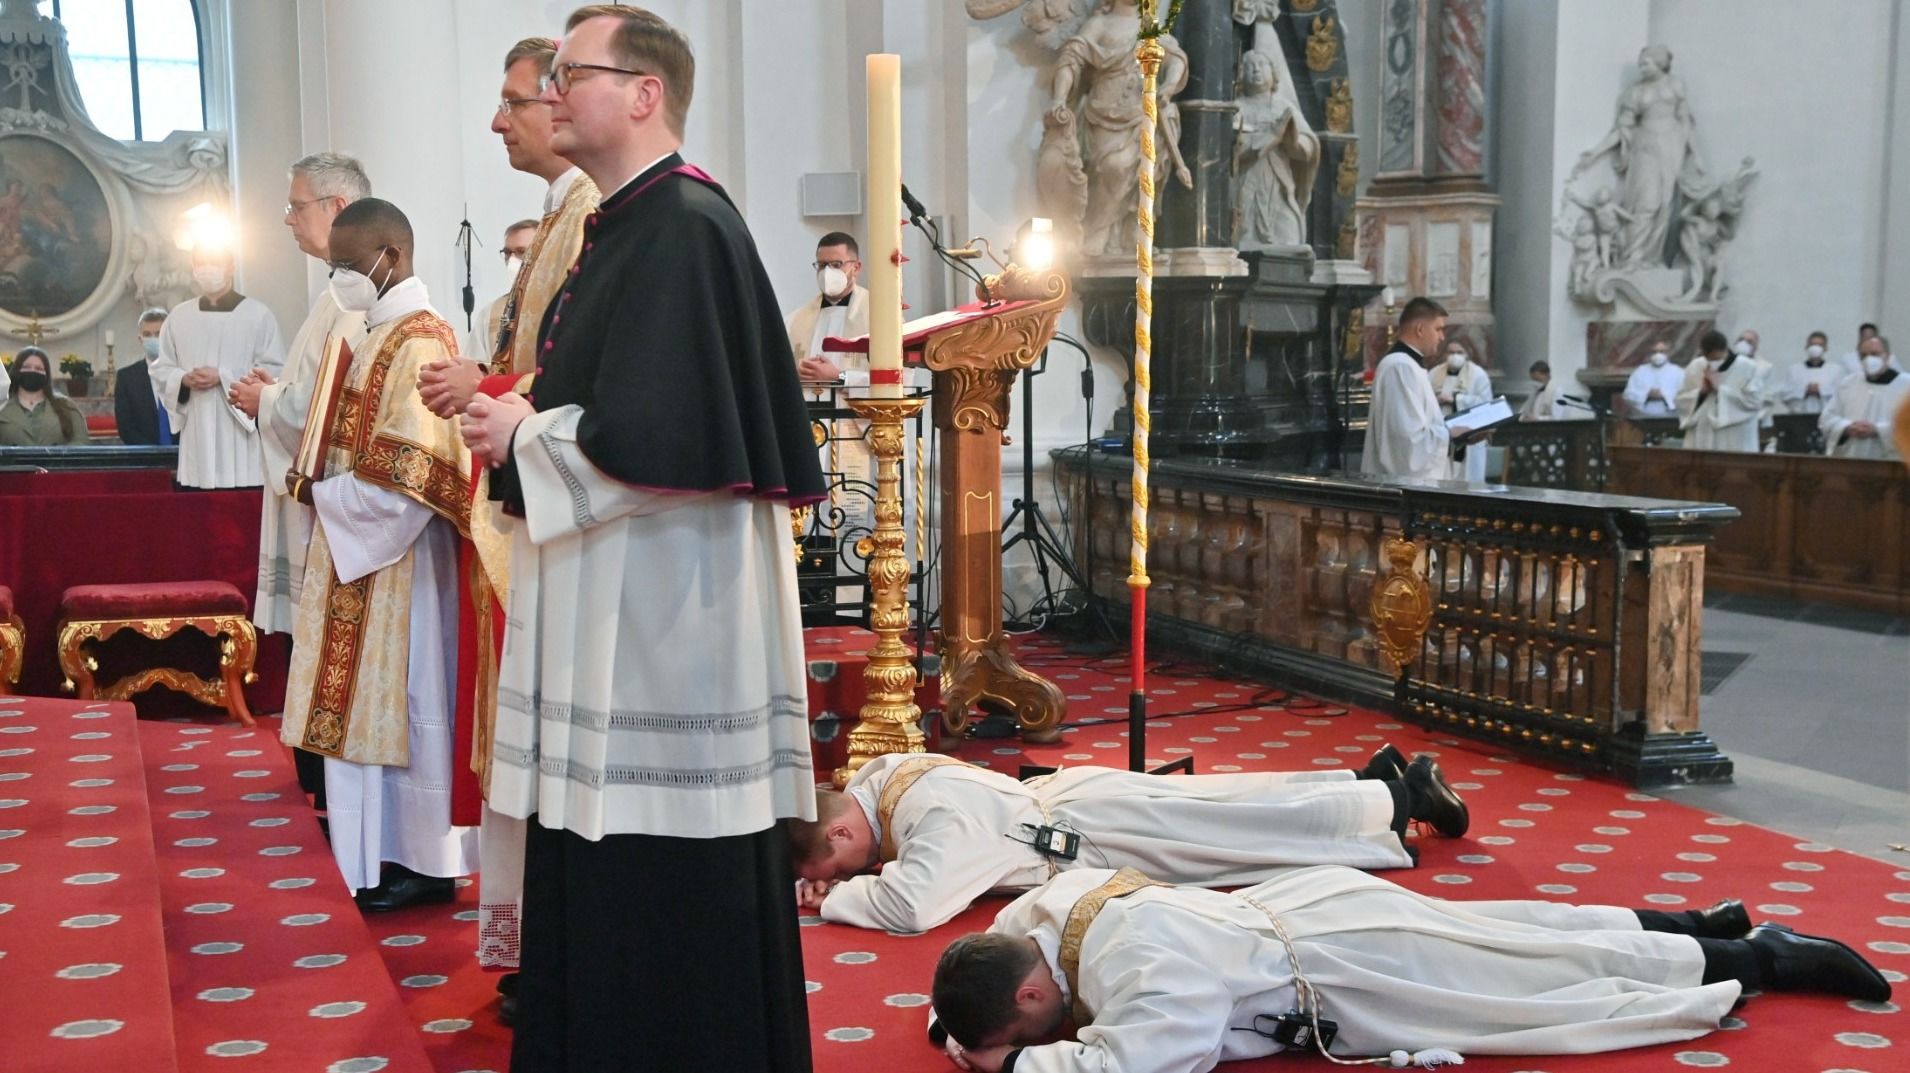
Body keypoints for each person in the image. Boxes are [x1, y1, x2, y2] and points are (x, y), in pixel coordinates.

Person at [455, 8, 825, 1071]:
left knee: (662, 893)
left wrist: (523, 427)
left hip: (666, 629)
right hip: (620, 615)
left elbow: (653, 437)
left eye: (571, 73)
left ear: (644, 93)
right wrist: (522, 420)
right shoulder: (627, 223)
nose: (551, 90)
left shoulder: (683, 228)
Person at [929, 867, 1890, 1073]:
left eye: (1033, 1024)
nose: (1051, 1030)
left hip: (1354, 963)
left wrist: (1018, 1067)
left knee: (1540, 973)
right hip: (1315, 905)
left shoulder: (1141, 965)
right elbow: (986, 947)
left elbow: (1148, 1056)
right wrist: (957, 1020)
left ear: (1030, 990)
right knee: (1525, 928)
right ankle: (1696, 916)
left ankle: (1756, 955)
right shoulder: (1057, 910)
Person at [417, 34, 603, 1024]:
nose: (497, 122)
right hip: (533, 510)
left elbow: (578, 388)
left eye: (509, 102)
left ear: (560, 102)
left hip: (568, 518)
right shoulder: (559, 215)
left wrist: (484, 388)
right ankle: (542, 945)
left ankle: (560, 952)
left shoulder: (587, 219)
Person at [277, 198, 478, 913]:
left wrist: (323, 496)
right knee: (374, 711)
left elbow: (415, 480)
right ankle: (386, 853)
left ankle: (423, 859)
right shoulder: (378, 331)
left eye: (346, 263)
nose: (338, 277)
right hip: (362, 556)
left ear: (389, 255)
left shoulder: (420, 341)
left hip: (402, 567)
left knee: (410, 702)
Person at [788, 747, 1468, 934]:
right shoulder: (885, 775)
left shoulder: (933, 818)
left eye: (842, 855)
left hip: (1093, 835)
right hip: (1077, 803)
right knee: (1238, 801)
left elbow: (911, 905)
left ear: (845, 829)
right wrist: (849, 872)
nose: (856, 865)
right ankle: (1373, 781)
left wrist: (840, 896)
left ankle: (1401, 801)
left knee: (1247, 832)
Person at [229, 152, 372, 636]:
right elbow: (318, 384)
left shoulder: (359, 296)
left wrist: (266, 401)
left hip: (337, 503)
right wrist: (274, 394)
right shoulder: (333, 292)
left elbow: (343, 404)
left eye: (297, 207)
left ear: (337, 205)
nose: (288, 219)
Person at [150, 245, 285, 487]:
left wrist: (223, 376)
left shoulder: (257, 315)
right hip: (197, 437)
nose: (206, 269)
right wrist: (182, 379)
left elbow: (273, 371)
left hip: (242, 441)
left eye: (214, 262)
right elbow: (162, 368)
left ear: (231, 267)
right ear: (193, 268)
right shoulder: (179, 317)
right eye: (200, 263)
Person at [1361, 297, 1473, 481]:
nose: (1442, 337)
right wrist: (1450, 433)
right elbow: (1408, 444)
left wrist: (1459, 437)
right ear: (1420, 329)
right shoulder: (1400, 368)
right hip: (1402, 489)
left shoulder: (1408, 366)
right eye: (1438, 329)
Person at [787, 231, 870, 378]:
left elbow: (897, 379)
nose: (827, 273)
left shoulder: (878, 317)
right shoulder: (793, 321)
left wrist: (839, 377)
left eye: (836, 265)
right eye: (822, 265)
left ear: (856, 268)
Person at [1676, 329, 1766, 453]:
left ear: (1724, 349)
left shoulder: (1748, 367)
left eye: (1715, 358)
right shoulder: (1696, 365)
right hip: (1702, 432)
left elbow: (1754, 402)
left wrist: (1720, 389)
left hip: (1734, 436)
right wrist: (1702, 392)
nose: (1712, 362)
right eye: (1708, 358)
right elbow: (1681, 399)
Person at [1821, 335, 1908, 461]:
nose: (1869, 359)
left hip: (1892, 463)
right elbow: (1826, 419)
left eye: (1875, 354)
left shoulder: (1906, 385)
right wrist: (1846, 427)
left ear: (1888, 356)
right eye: (1863, 355)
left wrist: (1878, 430)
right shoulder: (1848, 383)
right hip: (1851, 460)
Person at [465, 219, 539, 364]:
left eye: (521, 252)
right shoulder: (490, 313)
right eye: (507, 253)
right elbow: (473, 366)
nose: (512, 260)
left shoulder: (557, 305)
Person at [0, 347, 87, 446]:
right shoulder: (2, 404)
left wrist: (58, 456)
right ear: (17, 371)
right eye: (26, 367)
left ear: (47, 374)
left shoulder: (66, 406)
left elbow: (81, 441)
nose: (32, 371)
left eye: (39, 369)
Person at [113, 308, 173, 446]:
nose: (153, 339)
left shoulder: (185, 372)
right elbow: (126, 427)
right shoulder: (127, 378)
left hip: (184, 457)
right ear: (140, 339)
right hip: (145, 459)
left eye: (158, 334)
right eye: (147, 334)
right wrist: (152, 454)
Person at [1780, 330, 1837, 415]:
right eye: (1812, 345)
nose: (1815, 348)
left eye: (1820, 345)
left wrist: (1820, 390)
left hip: (1826, 416)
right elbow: (1785, 394)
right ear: (1806, 347)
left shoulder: (1835, 370)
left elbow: (1840, 395)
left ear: (1825, 348)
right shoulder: (1794, 370)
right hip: (1800, 416)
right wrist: (1804, 391)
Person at [1621, 340, 1682, 417]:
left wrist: (1665, 396)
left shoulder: (1678, 372)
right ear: (1649, 353)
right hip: (1643, 417)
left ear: (1668, 353)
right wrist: (1646, 395)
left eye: (1662, 351)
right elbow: (1628, 395)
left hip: (1670, 417)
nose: (1658, 355)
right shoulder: (1640, 371)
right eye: (1654, 352)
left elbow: (1684, 395)